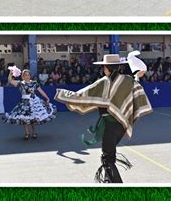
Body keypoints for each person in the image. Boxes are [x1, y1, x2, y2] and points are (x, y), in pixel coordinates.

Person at [54, 53, 153, 183]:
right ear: (118, 67)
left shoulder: (104, 82)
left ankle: (117, 184)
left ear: (107, 68)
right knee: (108, 155)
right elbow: (134, 87)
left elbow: (82, 95)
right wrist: (137, 76)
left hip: (110, 126)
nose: (103, 70)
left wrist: (63, 94)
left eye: (104, 67)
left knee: (107, 158)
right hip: (121, 125)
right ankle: (108, 180)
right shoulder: (128, 80)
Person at [3, 67, 57, 140]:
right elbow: (10, 80)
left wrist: (47, 98)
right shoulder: (20, 83)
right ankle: (27, 133)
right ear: (23, 76)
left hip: (34, 101)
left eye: (28, 75)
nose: (27, 76)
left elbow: (40, 90)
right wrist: (10, 72)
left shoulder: (34, 83)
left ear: (30, 76)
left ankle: (34, 132)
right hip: (24, 102)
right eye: (25, 75)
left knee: (34, 118)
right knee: (25, 119)